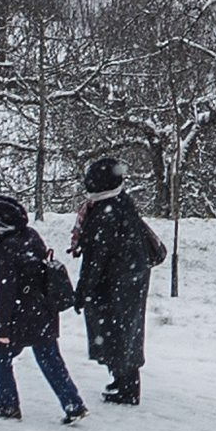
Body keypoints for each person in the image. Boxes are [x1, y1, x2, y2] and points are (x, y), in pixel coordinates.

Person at [0, 192, 85, 423]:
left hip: (20, 316)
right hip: (44, 310)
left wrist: (2, 331)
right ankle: (73, 403)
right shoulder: (30, 235)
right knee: (49, 357)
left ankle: (8, 405)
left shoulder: (4, 249)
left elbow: (4, 294)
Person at [68, 155, 167, 406]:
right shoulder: (120, 203)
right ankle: (123, 381)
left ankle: (126, 387)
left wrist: (83, 291)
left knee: (116, 333)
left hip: (115, 281)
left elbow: (96, 258)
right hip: (130, 276)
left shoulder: (104, 213)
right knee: (126, 332)